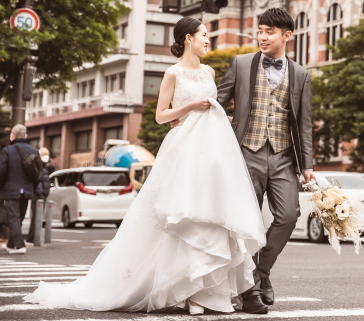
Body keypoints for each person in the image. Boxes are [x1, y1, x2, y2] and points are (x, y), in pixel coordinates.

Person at [25, 17, 266, 315]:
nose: (208, 40)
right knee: (182, 216)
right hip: (182, 151)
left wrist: (227, 118)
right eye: (204, 35)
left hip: (212, 152)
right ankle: (183, 290)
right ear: (188, 38)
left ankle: (202, 291)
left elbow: (211, 110)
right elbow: (161, 116)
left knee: (209, 215)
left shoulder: (210, 71)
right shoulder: (172, 73)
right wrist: (191, 106)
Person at [172, 8, 314, 312]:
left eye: (269, 32)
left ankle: (261, 273)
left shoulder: (301, 74)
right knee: (243, 224)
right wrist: (184, 118)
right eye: (260, 30)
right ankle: (249, 290)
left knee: (289, 215)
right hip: (244, 154)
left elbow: (303, 123)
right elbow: (216, 102)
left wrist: (308, 166)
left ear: (287, 36)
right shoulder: (241, 64)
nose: (262, 37)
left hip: (283, 157)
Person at [0, 125, 39, 254]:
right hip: (27, 190)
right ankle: (11, 245)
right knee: (19, 218)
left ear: (13, 135)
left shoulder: (8, 151)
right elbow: (38, 173)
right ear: (25, 135)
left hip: (11, 190)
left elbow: (2, 172)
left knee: (14, 218)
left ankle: (20, 245)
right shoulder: (34, 151)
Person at [25, 148, 54, 243]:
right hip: (38, 194)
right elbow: (37, 179)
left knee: (38, 217)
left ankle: (34, 237)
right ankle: (32, 238)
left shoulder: (44, 166)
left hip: (42, 194)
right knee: (36, 217)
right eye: (45, 154)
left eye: (48, 154)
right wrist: (39, 191)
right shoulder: (38, 165)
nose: (47, 157)